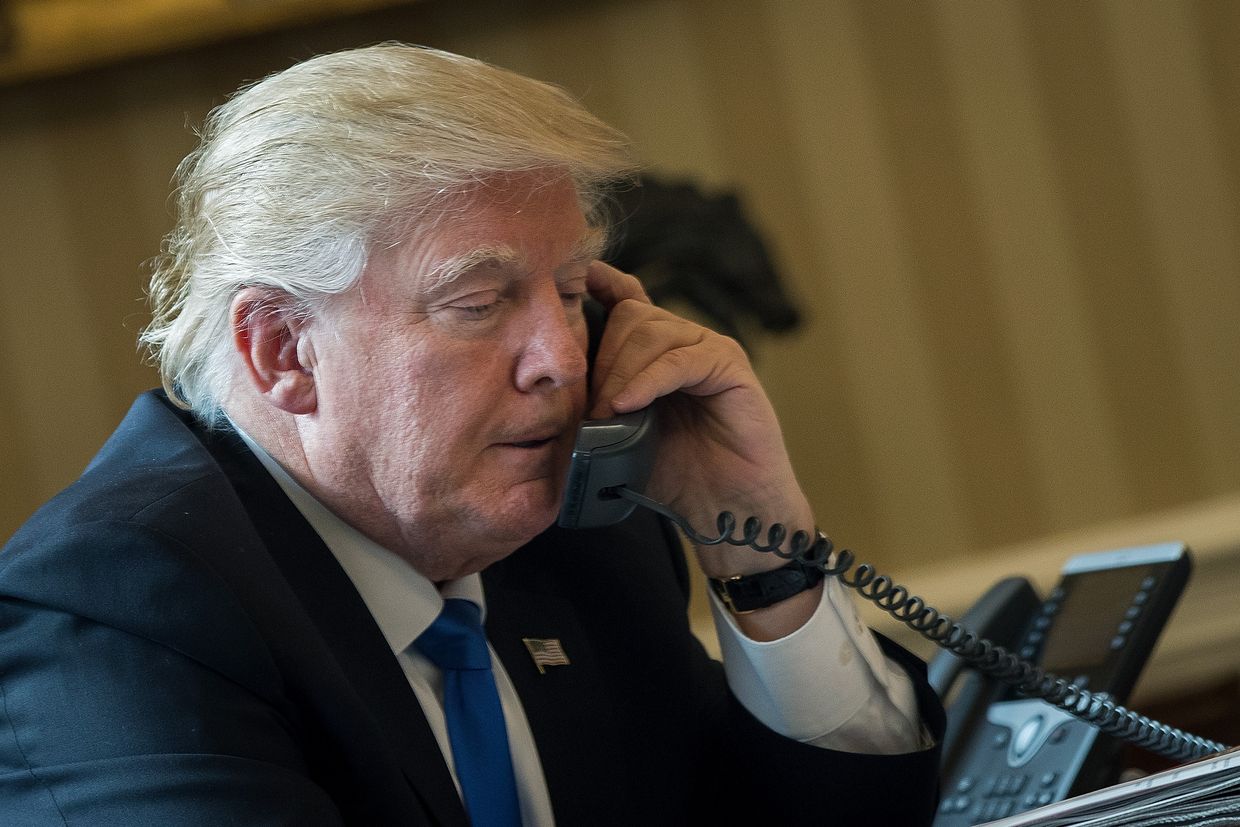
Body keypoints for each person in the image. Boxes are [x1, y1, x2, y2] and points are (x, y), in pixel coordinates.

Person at [0, 43, 943, 825]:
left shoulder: (584, 537)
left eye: (573, 294)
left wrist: (756, 547)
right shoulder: (119, 610)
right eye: (480, 302)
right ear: (283, 350)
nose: (562, 362)